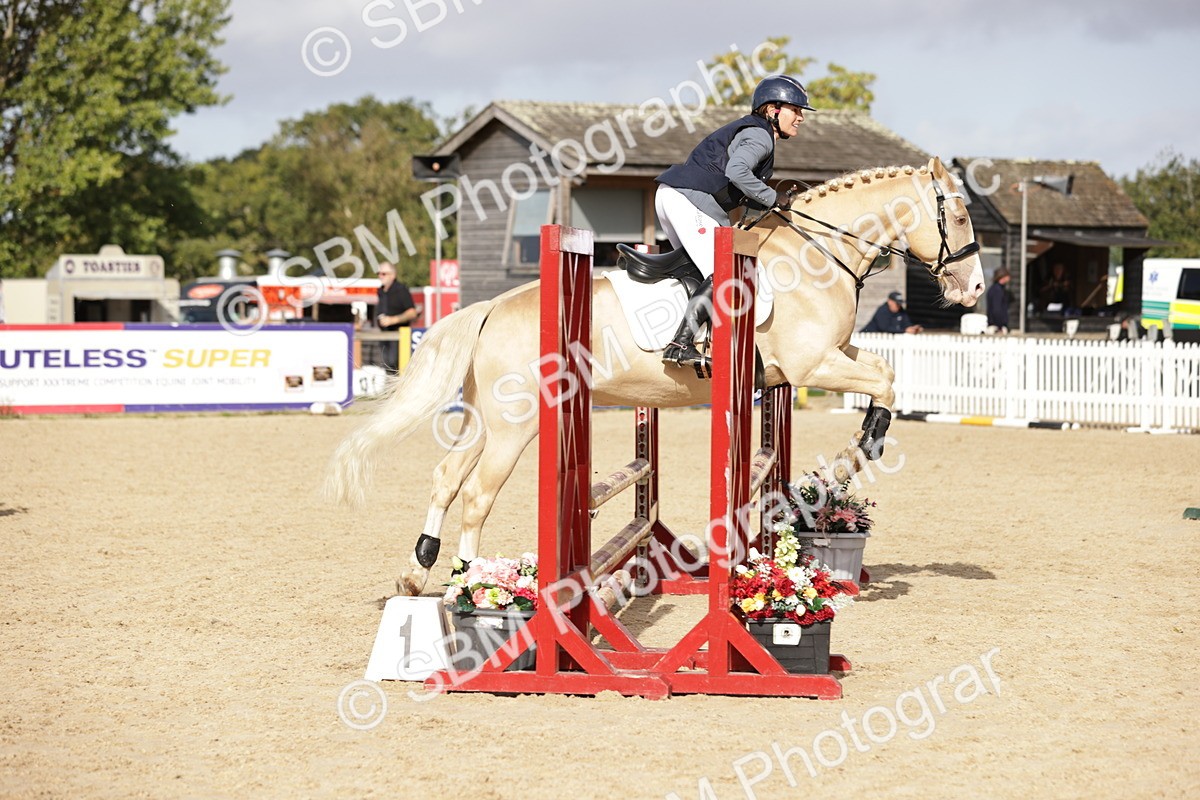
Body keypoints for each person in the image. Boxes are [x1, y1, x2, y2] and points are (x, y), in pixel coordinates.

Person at [655, 74, 813, 370]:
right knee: (724, 272)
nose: (801, 117)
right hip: (690, 200)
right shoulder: (760, 135)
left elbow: (736, 184)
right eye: (796, 109)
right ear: (772, 109)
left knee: (700, 272)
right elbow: (737, 171)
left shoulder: (755, 132)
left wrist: (765, 202)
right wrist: (771, 196)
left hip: (676, 197)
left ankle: (696, 334)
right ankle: (680, 345)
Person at [375, 262, 417, 373]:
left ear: (392, 275)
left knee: (397, 368)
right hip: (385, 336)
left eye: (384, 273)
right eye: (379, 273)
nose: (380, 276)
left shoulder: (401, 290)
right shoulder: (381, 291)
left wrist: (393, 320)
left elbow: (412, 312)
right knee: (387, 367)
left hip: (399, 336)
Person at [986, 267, 1012, 334]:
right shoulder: (998, 290)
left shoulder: (993, 289)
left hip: (994, 326)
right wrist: (1000, 326)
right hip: (996, 328)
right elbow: (996, 309)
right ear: (1003, 276)